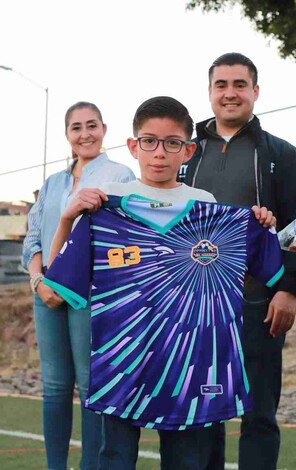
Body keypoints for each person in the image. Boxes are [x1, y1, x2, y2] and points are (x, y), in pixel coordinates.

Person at [46, 96, 280, 470]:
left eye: (172, 143)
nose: (160, 152)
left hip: (191, 361)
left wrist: (260, 226)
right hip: (123, 360)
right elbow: (58, 280)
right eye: (149, 141)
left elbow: (263, 262)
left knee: (188, 458)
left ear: (187, 150)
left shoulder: (210, 207)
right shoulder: (107, 207)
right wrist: (67, 219)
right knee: (116, 457)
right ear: (133, 146)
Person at [178, 52, 296, 470]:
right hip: (196, 309)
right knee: (203, 418)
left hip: (258, 305)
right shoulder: (185, 153)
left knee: (258, 416)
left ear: (255, 91)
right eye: (221, 85)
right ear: (209, 92)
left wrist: (289, 289)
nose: (230, 93)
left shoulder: (280, 153)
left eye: (240, 84)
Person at [22, 101, 135, 470]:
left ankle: (91, 465)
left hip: (91, 294)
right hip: (47, 293)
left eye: (91, 125)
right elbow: (33, 238)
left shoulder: (119, 175)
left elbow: (119, 237)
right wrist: (39, 281)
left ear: (104, 129)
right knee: (54, 386)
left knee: (90, 386)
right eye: (76, 127)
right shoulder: (53, 182)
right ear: (67, 135)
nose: (84, 133)